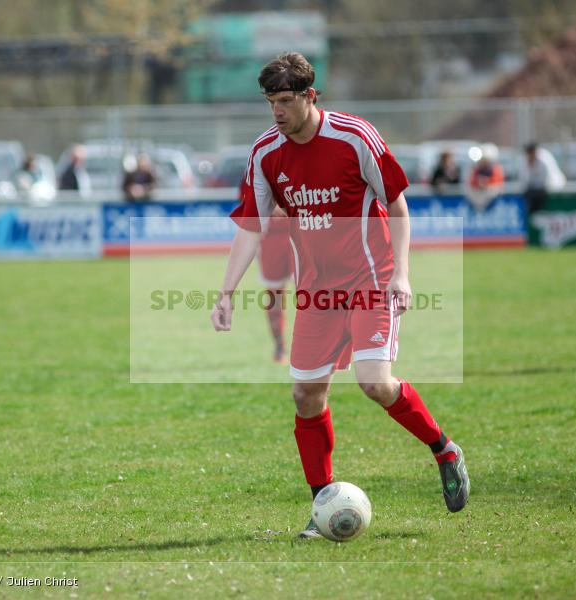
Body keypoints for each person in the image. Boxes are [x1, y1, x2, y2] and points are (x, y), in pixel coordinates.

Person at [210, 52, 469, 539]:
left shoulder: (354, 137)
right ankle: (321, 506)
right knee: (306, 395)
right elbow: (250, 226)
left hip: (371, 278)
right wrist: (226, 292)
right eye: (270, 103)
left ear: (311, 96)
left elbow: (396, 204)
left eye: (285, 101)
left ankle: (443, 449)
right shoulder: (266, 152)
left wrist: (403, 275)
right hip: (317, 290)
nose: (277, 112)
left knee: (374, 383)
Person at [256, 204, 294, 363]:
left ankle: (317, 344)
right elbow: (249, 201)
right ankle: (280, 346)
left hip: (302, 231)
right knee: (274, 295)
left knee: (311, 292)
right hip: (271, 236)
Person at [520, 142, 565, 216]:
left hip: (552, 187)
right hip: (535, 189)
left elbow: (547, 179)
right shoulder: (526, 161)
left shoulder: (543, 159)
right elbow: (524, 179)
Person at [465, 143, 504, 211]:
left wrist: (487, 184)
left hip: (490, 200)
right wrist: (479, 183)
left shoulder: (496, 169)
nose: (484, 162)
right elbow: (471, 182)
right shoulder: (477, 169)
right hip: (478, 198)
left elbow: (498, 183)